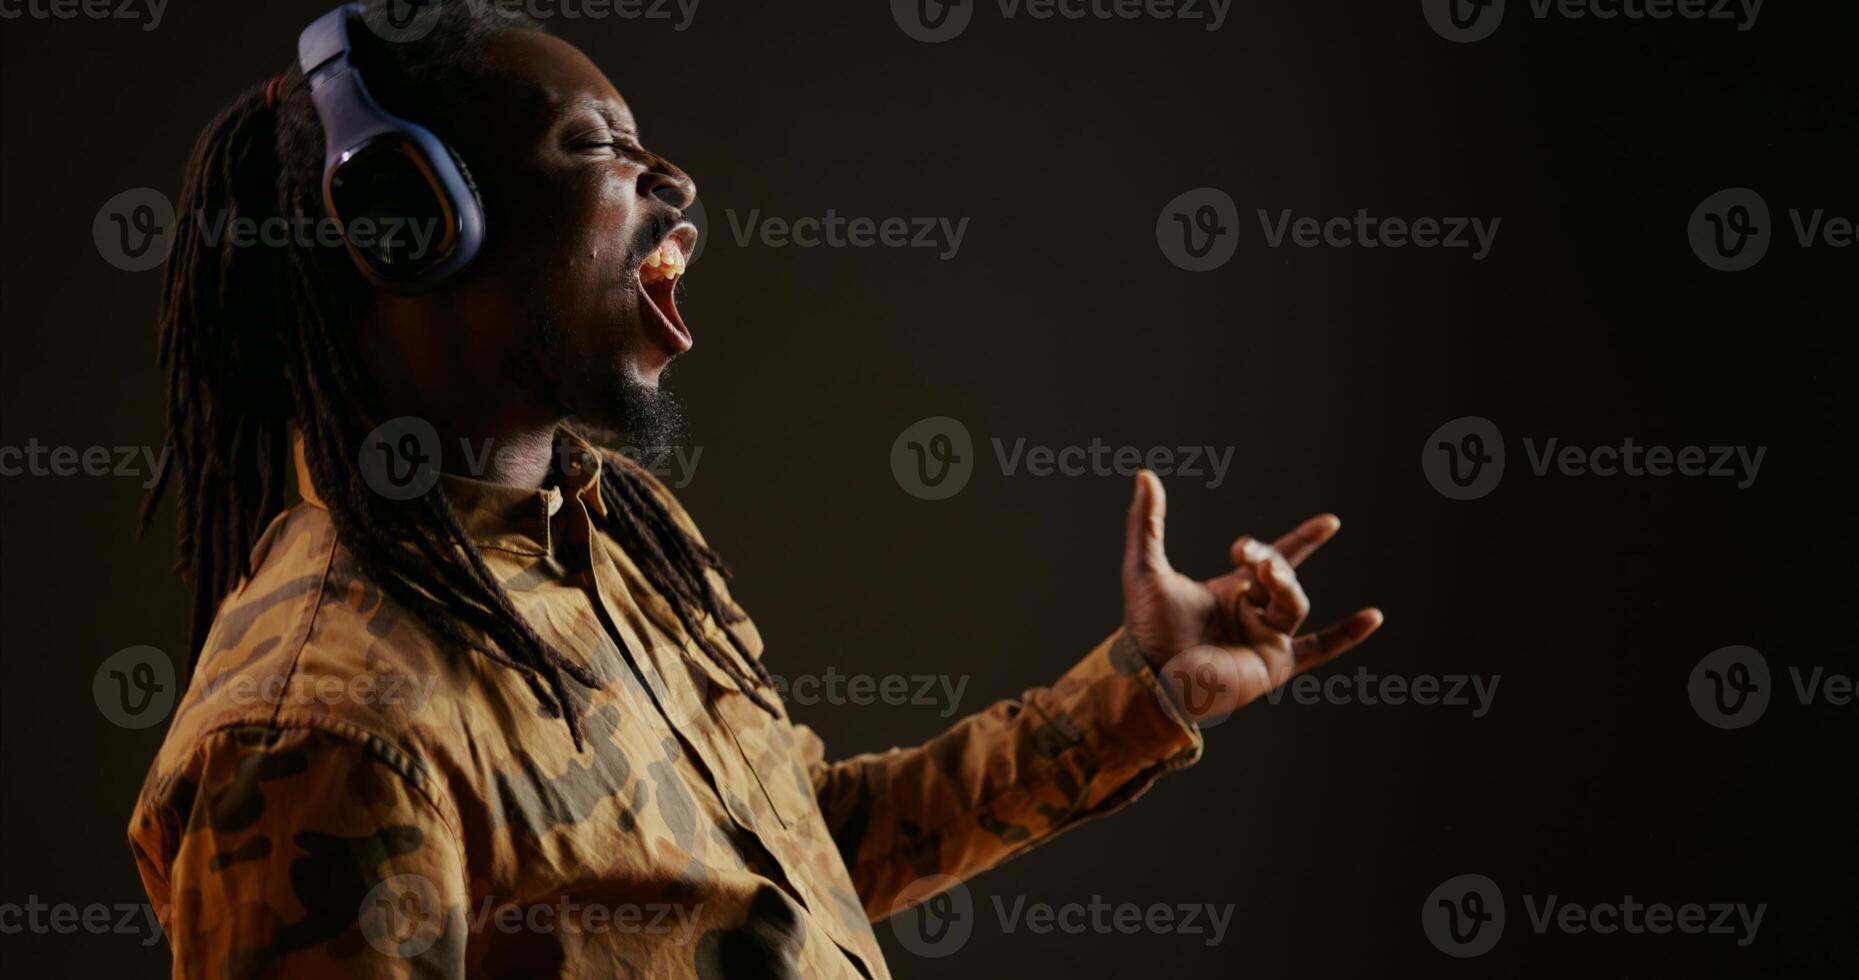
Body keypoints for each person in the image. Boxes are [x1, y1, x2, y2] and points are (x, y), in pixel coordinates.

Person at [128, 3, 1382, 976]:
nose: (672, 188)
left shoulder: (614, 529)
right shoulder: (317, 735)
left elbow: (800, 851)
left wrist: (1136, 690)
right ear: (408, 219)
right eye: (598, 148)